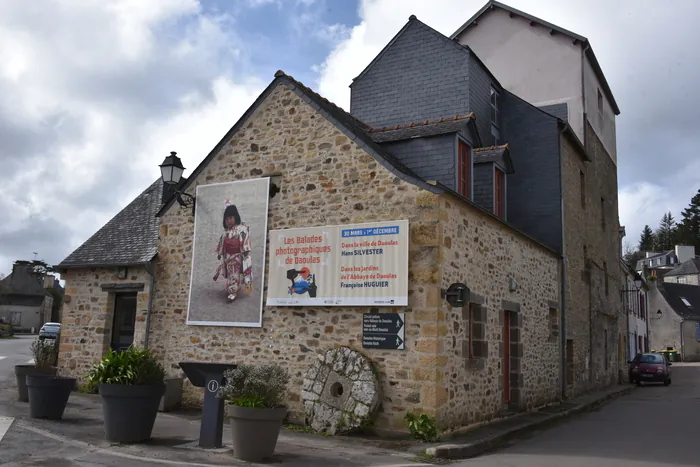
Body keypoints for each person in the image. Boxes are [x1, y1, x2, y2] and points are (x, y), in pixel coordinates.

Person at [213, 201, 252, 302]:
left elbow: (245, 241)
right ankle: (231, 287)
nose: (229, 221)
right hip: (228, 256)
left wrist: (246, 252)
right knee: (230, 274)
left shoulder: (242, 229)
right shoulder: (226, 232)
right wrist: (220, 252)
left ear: (236, 217)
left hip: (237, 255)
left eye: (230, 218)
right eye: (226, 219)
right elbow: (222, 241)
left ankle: (233, 291)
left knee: (234, 273)